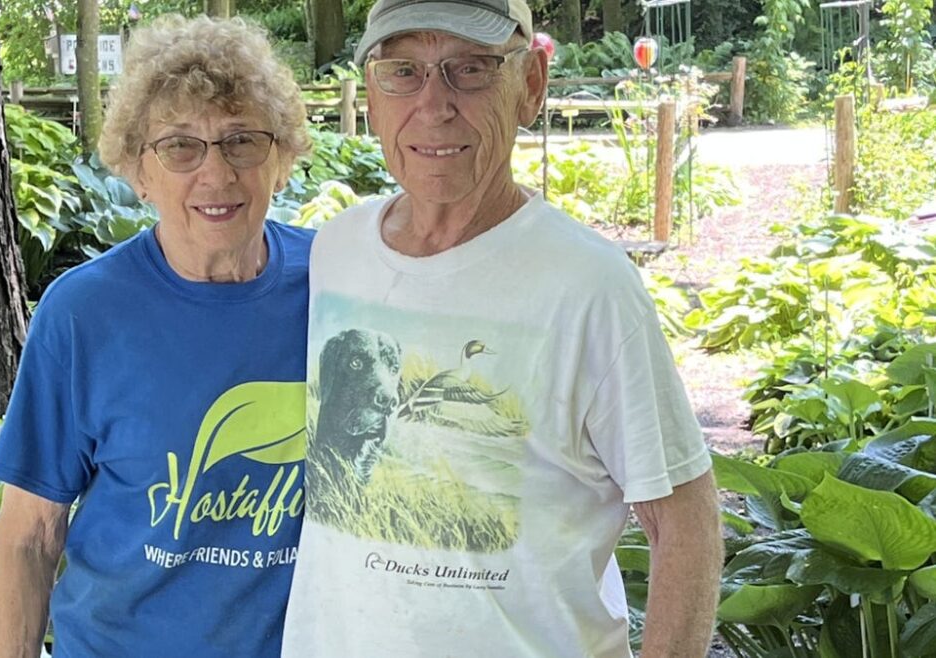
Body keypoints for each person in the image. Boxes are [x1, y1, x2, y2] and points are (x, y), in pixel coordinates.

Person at [281, 0, 723, 656]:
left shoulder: (588, 284)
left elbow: (685, 518)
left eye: (471, 68)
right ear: (371, 95)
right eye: (403, 71)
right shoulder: (337, 251)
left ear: (531, 86)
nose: (434, 104)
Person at [0, 15, 312, 658]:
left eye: (242, 141)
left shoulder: (336, 287)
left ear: (282, 160)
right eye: (181, 147)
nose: (216, 173)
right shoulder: (84, 312)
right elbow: (30, 535)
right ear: (139, 171)